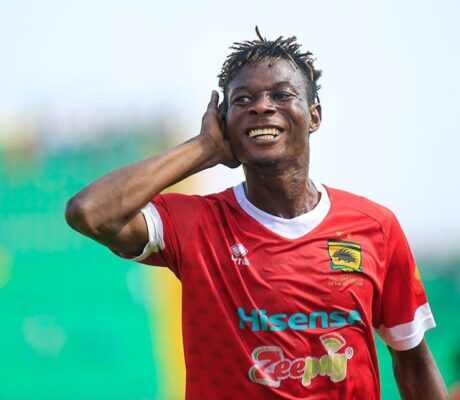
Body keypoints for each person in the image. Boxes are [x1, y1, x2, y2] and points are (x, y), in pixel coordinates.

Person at [65, 28, 449, 399]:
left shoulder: (375, 227)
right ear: (225, 123)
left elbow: (413, 360)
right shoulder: (196, 223)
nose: (262, 106)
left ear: (314, 116)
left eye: (281, 94)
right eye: (243, 100)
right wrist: (205, 147)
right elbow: (90, 212)